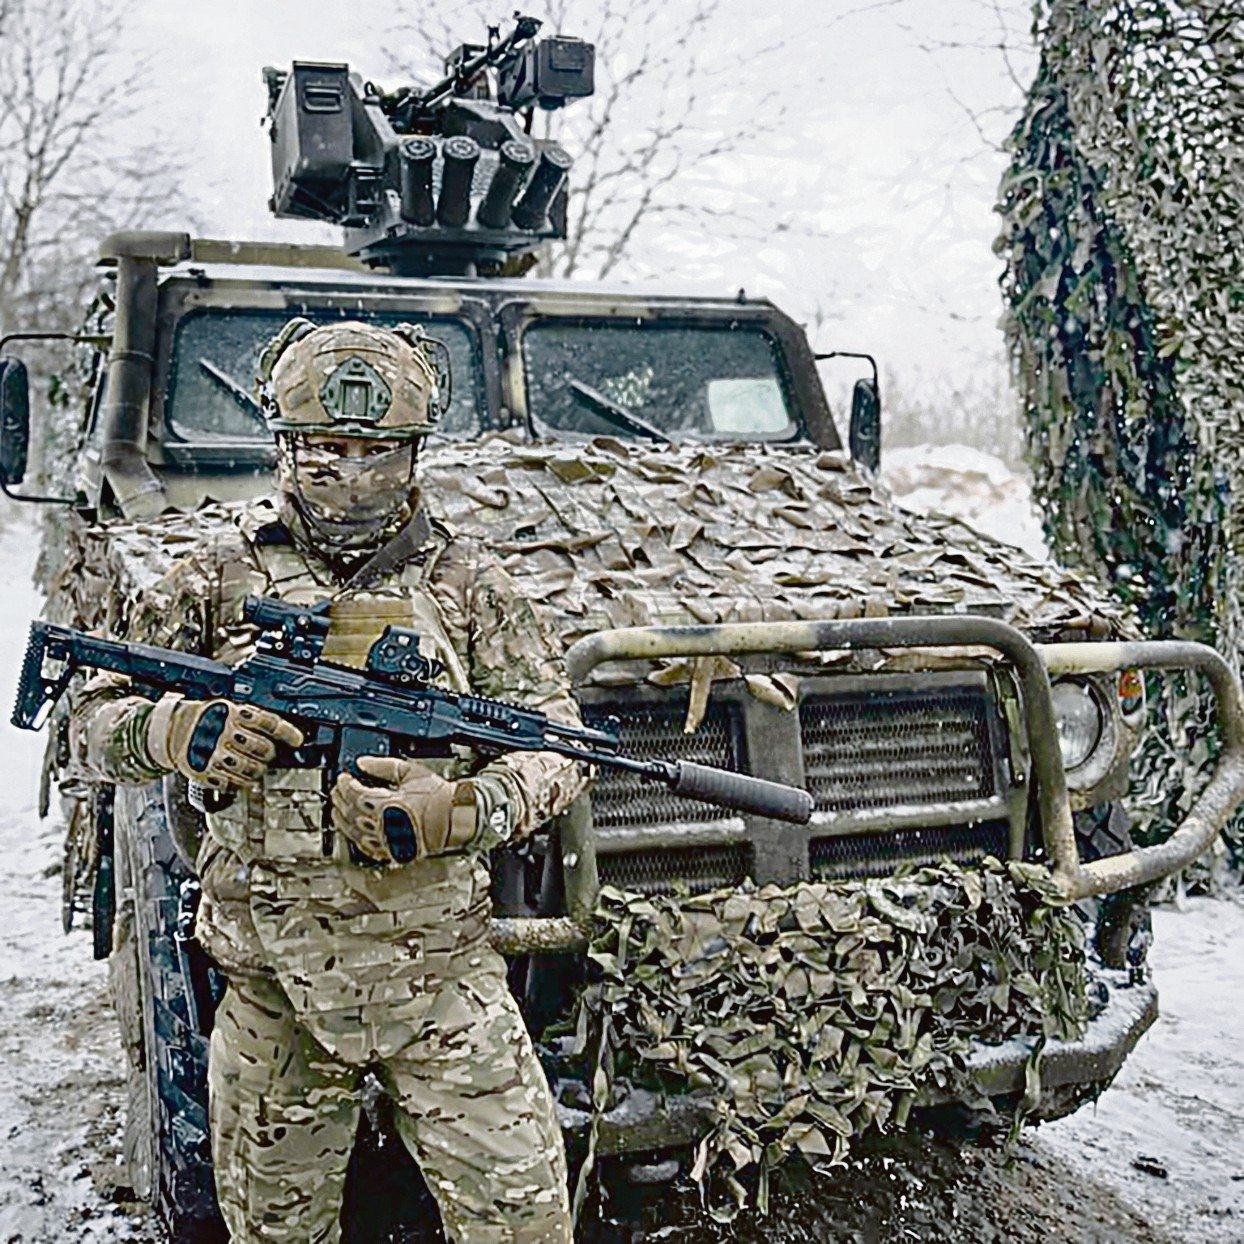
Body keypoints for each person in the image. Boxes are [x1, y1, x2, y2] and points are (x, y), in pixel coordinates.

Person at [71, 319, 586, 1243]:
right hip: (271, 986)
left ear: (416, 454)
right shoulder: (211, 578)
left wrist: (463, 808)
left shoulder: (471, 587)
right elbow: (91, 726)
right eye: (327, 449)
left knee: (524, 1225)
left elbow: (560, 747)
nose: (352, 473)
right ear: (285, 444)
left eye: (379, 452)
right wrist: (176, 730)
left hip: (443, 981)